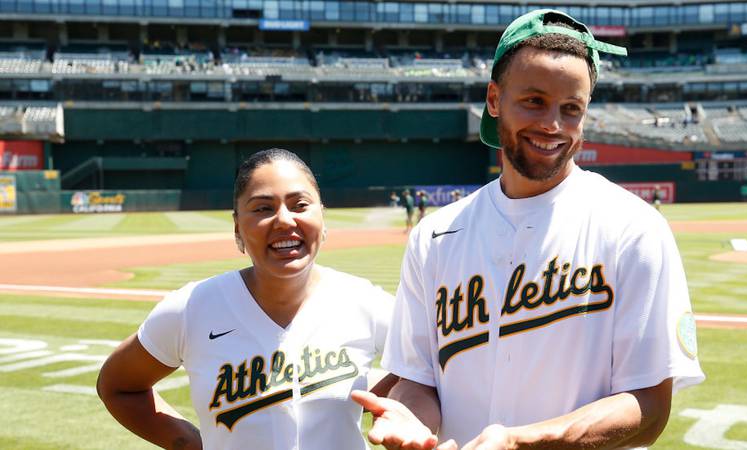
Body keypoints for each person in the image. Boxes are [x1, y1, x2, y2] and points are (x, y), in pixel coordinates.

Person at [352, 9, 704, 450]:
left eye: (571, 108)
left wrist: (520, 441)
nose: (552, 125)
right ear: (494, 100)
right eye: (534, 101)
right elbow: (418, 380)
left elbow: (649, 407)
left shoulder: (634, 229)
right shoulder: (435, 236)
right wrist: (413, 423)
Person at [97, 148, 395, 450]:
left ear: (322, 216)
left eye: (300, 205)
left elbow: (428, 374)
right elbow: (119, 386)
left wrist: (404, 408)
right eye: (263, 208)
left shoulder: (364, 302)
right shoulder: (191, 308)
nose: (284, 220)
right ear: (237, 227)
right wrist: (184, 441)